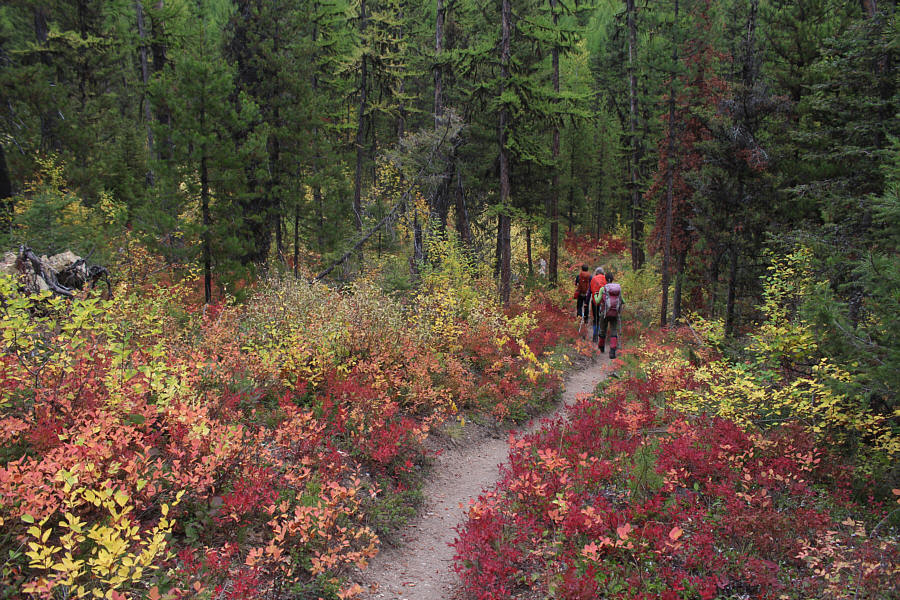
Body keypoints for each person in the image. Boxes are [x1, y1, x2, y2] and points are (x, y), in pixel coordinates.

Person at [597, 272, 624, 359]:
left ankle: (601, 348)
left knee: (602, 330)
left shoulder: (603, 289)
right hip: (615, 313)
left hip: (604, 313)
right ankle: (612, 351)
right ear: (612, 279)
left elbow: (597, 301)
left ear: (605, 279)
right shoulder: (617, 289)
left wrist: (595, 295)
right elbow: (623, 301)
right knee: (613, 331)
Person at [589, 267, 606, 343]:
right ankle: (601, 334)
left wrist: (586, 302)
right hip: (603, 302)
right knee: (602, 318)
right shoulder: (605, 279)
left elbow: (589, 291)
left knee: (595, 318)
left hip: (595, 301)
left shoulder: (593, 279)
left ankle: (595, 336)